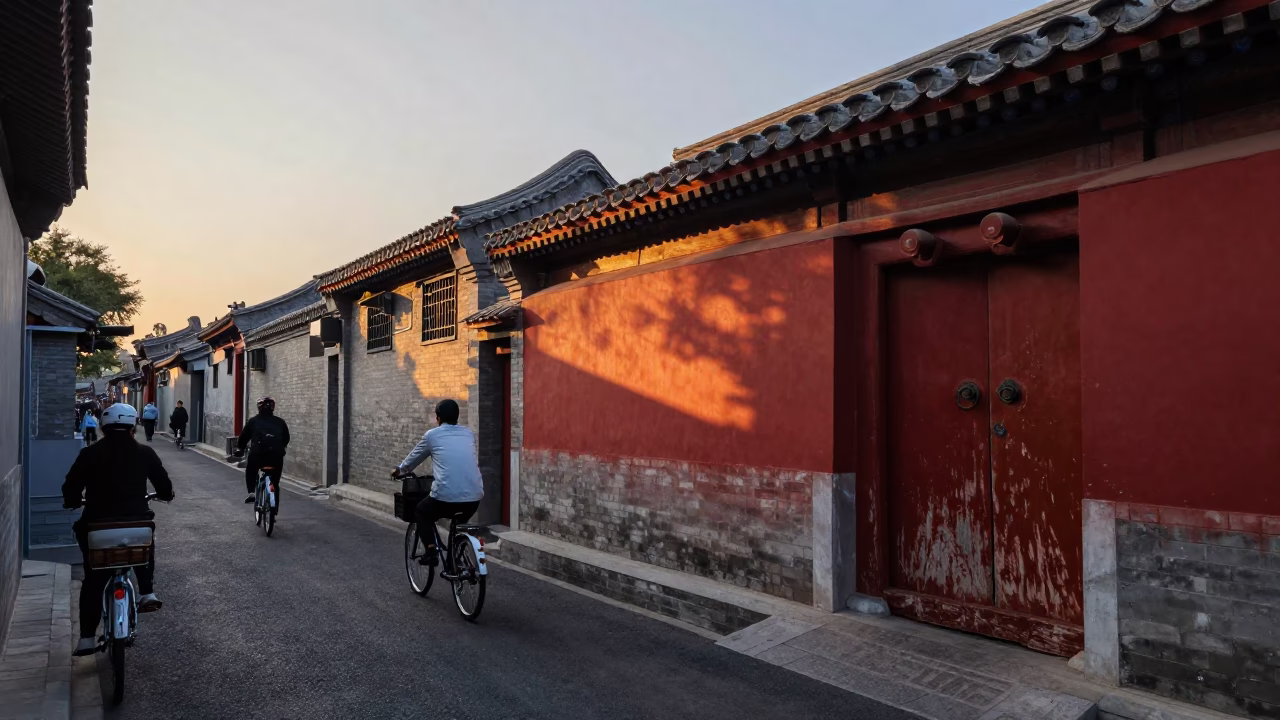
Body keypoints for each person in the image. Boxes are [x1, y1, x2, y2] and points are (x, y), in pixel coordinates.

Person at [63, 403, 175, 657]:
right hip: (136, 524)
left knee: (93, 579)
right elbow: (165, 486)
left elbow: (70, 487)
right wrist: (167, 495)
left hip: (97, 527)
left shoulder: (90, 454)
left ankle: (87, 640)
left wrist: (72, 501)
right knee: (143, 545)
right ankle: (147, 592)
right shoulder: (145, 453)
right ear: (133, 426)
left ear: (103, 426)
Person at [390, 399, 484, 567]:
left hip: (445, 497)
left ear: (438, 418)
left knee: (421, 511)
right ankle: (455, 563)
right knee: (457, 525)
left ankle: (431, 551)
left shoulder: (432, 435)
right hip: (474, 497)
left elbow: (412, 461)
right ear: (457, 417)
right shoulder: (468, 433)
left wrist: (398, 471)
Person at [236, 397, 289, 511]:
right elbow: (286, 438)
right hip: (276, 456)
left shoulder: (253, 421)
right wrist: (281, 448)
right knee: (274, 482)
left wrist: (240, 448)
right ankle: (274, 507)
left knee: (251, 469)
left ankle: (251, 493)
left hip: (258, 455)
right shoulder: (280, 421)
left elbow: (244, 437)